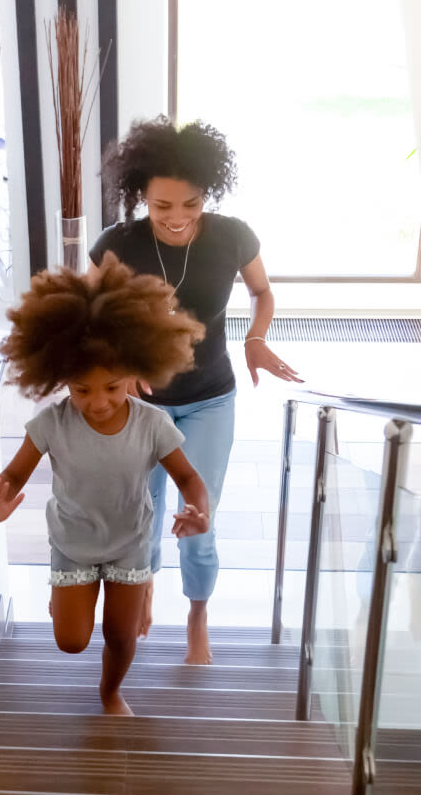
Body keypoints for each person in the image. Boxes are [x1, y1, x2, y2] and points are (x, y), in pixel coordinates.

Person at [90, 116, 302, 665]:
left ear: (208, 192)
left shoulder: (232, 236)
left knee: (197, 514)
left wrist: (256, 337)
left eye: (191, 203)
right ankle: (146, 586)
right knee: (144, 511)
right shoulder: (117, 244)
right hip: (139, 406)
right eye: (162, 207)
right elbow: (87, 315)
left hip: (211, 396)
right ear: (141, 197)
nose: (178, 218)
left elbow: (262, 292)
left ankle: (198, 615)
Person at [0, 252, 209, 715]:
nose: (98, 402)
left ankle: (110, 692)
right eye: (82, 390)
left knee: (121, 636)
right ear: (61, 378)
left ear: (134, 373)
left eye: (113, 387)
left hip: (129, 544)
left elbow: (187, 476)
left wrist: (199, 510)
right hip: (74, 543)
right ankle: (63, 602)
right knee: (71, 642)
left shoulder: (152, 424)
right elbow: (16, 473)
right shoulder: (51, 424)